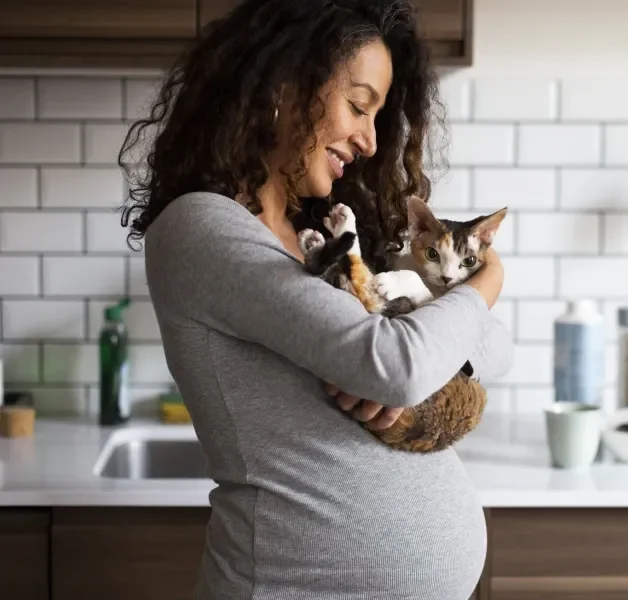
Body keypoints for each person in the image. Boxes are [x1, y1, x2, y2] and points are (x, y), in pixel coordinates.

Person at [118, 1, 513, 598]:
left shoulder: (325, 235)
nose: (371, 141)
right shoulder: (202, 228)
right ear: (285, 84)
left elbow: (496, 349)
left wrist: (432, 357)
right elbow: (397, 364)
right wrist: (487, 283)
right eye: (358, 106)